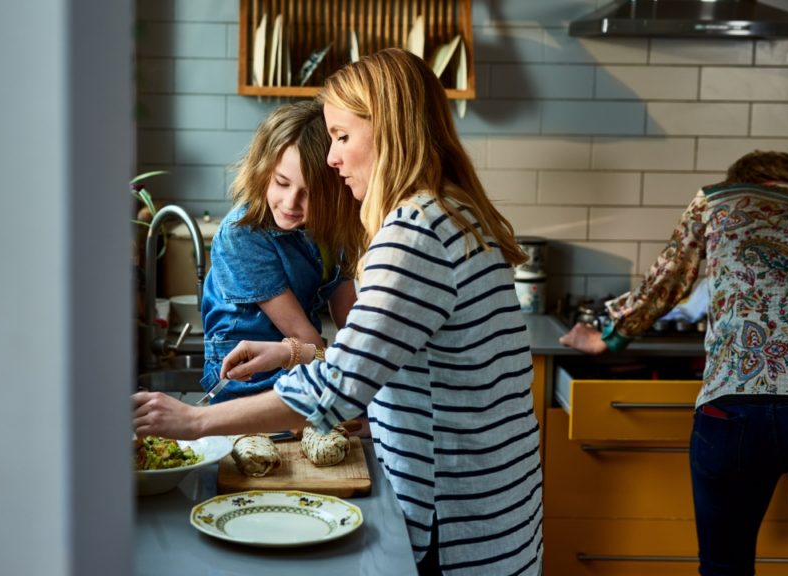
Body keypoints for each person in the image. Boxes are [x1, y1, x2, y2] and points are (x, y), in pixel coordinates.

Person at [135, 48, 544, 576]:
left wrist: (194, 421)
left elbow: (336, 386)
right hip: (493, 504)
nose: (332, 157)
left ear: (391, 130)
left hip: (456, 516)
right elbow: (377, 359)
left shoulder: (415, 232)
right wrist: (295, 351)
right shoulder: (454, 212)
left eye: (342, 136)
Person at [559, 149, 788, 576]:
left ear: (741, 179)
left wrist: (611, 338)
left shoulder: (716, 200)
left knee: (723, 565)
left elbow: (668, 280)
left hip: (730, 406)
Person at [200, 100, 363, 403]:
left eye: (309, 194)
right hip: (241, 383)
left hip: (302, 366)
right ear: (262, 171)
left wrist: (357, 362)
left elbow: (354, 330)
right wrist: (347, 363)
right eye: (281, 183)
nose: (290, 203)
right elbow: (307, 340)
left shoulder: (334, 230)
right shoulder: (242, 235)